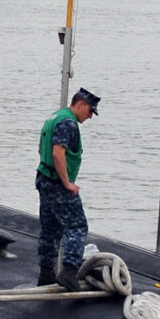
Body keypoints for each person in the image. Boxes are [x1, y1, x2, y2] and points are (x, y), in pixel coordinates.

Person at [34, 88, 100, 286]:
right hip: (57, 183)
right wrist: (67, 183)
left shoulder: (54, 117)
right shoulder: (68, 122)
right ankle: (69, 271)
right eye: (89, 111)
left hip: (44, 178)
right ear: (80, 104)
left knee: (50, 228)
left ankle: (46, 274)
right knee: (78, 226)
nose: (90, 117)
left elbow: (42, 149)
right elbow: (57, 153)